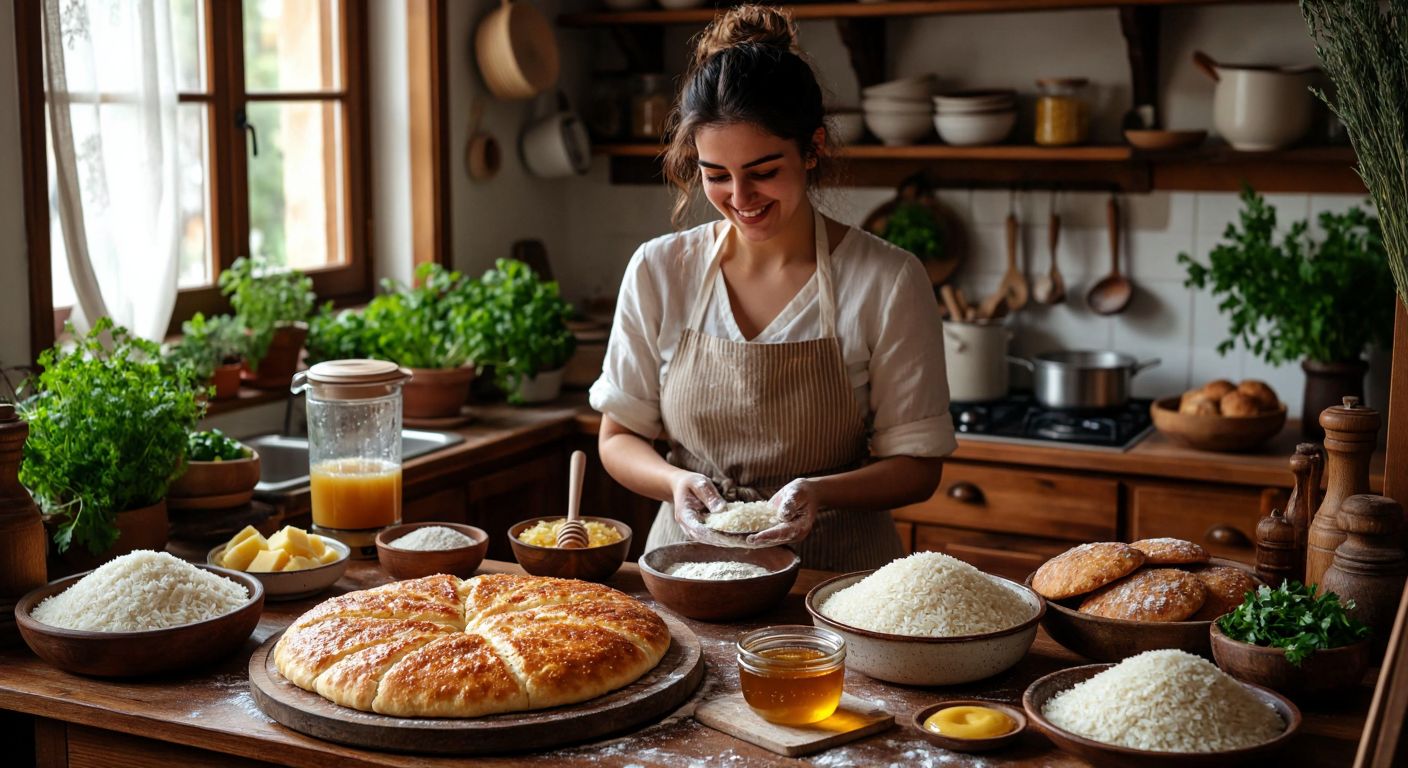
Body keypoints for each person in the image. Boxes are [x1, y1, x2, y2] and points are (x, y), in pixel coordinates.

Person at [588, 5, 956, 571]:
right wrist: (675, 482)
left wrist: (820, 493)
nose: (741, 197)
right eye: (716, 175)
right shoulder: (661, 269)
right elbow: (617, 439)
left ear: (812, 149)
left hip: (832, 584)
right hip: (690, 572)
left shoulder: (886, 279)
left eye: (762, 171)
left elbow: (917, 466)